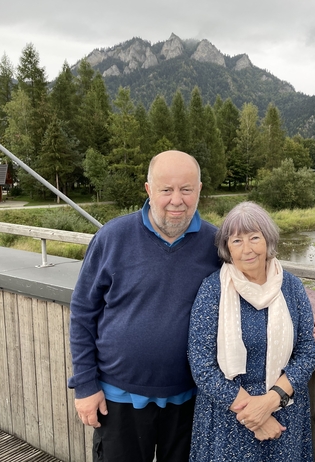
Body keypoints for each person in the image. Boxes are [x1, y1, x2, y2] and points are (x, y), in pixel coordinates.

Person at [68, 150, 221, 462]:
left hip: (190, 398)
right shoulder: (113, 237)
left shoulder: (215, 243)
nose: (176, 200)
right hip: (118, 397)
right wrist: (84, 385)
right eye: (166, 190)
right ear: (149, 190)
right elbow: (83, 312)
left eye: (186, 189)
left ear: (199, 190)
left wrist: (301, 315)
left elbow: (258, 277)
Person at [188, 202, 315, 461]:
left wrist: (270, 403)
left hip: (284, 411)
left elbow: (306, 353)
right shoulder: (213, 290)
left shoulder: (291, 287)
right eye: (237, 241)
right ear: (227, 249)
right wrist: (256, 417)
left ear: (267, 240)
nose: (247, 249)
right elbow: (201, 365)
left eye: (254, 238)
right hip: (228, 416)